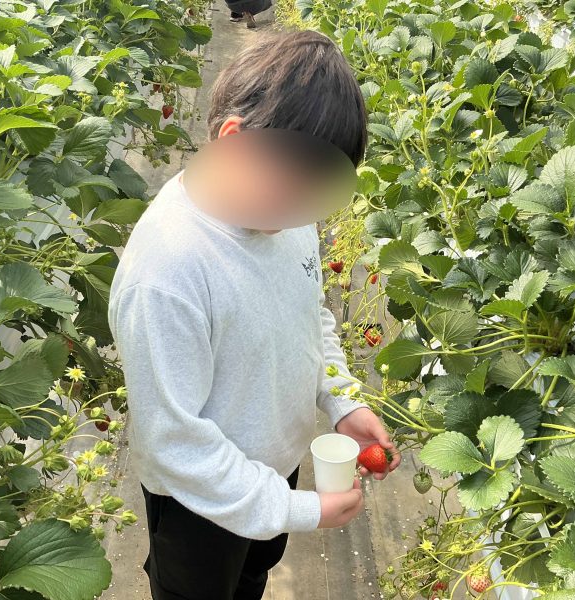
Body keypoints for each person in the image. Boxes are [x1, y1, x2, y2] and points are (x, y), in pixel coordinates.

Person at [107, 30, 400, 600]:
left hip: (274, 465)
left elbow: (309, 314)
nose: (304, 211)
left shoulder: (284, 214)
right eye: (296, 189)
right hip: (199, 499)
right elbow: (175, 443)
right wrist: (297, 509)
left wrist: (342, 400)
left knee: (251, 578)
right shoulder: (166, 274)